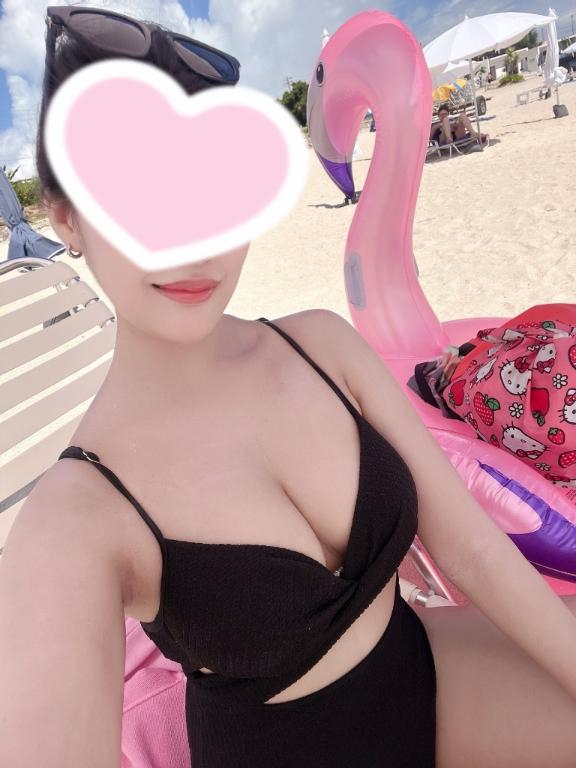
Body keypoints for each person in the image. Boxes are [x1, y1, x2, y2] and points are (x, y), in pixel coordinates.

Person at [2, 6, 576, 768]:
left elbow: (470, 551)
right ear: (67, 218)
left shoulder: (321, 345)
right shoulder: (74, 519)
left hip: (423, 672)